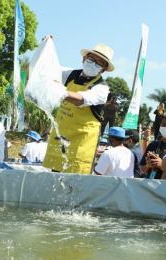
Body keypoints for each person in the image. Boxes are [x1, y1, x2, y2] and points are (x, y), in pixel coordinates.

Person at [43, 43, 115, 174]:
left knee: (74, 180)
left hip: (82, 140)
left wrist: (60, 91)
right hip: (61, 133)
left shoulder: (102, 88)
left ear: (103, 69)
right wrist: (47, 46)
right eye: (91, 59)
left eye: (99, 63)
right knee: (55, 173)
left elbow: (80, 99)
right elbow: (48, 68)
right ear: (84, 58)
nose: (93, 64)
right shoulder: (70, 74)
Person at [140, 113, 166, 179]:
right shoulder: (153, 144)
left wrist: (162, 165)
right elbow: (142, 169)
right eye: (163, 125)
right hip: (150, 184)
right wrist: (148, 165)